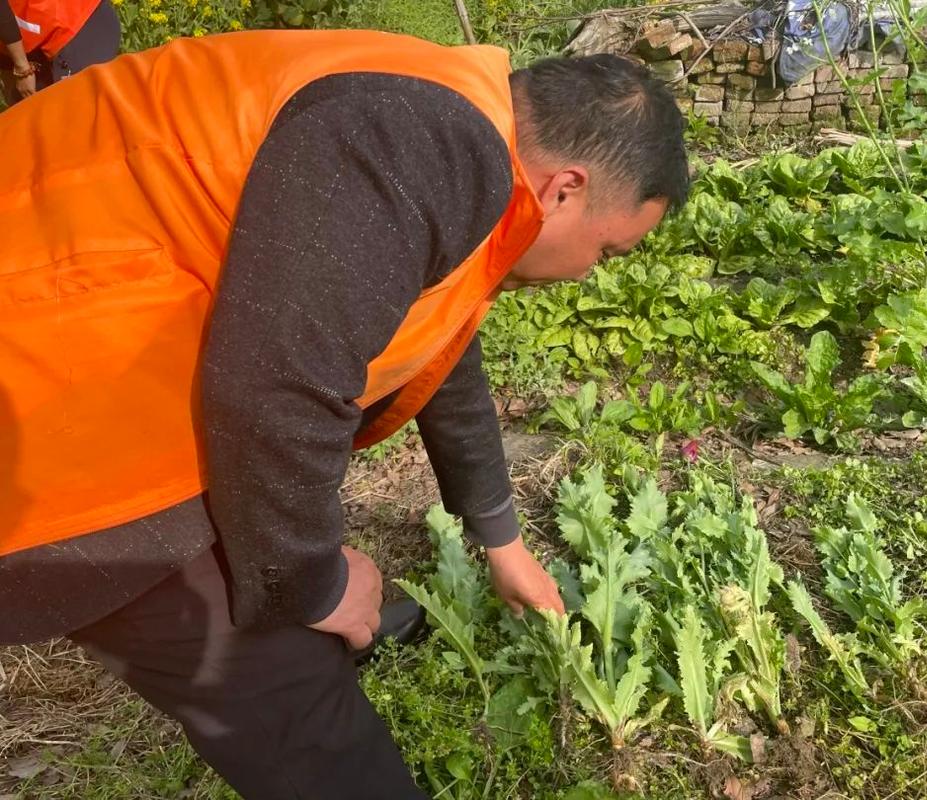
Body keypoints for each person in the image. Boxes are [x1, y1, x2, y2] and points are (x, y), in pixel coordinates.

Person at [0, 28, 688, 799]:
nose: (592, 273)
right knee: (299, 714)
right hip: (51, 394)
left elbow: (440, 348)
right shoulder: (421, 140)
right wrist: (312, 585)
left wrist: (501, 539)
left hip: (76, 346)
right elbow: (277, 389)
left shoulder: (450, 117)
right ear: (566, 187)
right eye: (610, 251)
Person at [0, 0, 119, 103]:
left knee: (74, 114)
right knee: (27, 111)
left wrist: (23, 71)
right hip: (39, 41)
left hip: (77, 26)